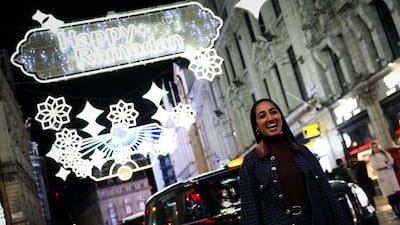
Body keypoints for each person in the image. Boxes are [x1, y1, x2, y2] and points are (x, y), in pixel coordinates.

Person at [239, 98, 352, 225]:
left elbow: (327, 194)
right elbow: (250, 212)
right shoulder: (251, 163)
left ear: (281, 118)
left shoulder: (303, 153)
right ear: (257, 127)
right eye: (262, 116)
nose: (270, 118)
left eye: (273, 112)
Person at [369, 141, 400, 218]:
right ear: (372, 149)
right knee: (390, 196)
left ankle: (399, 209)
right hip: (384, 179)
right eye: (374, 147)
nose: (376, 148)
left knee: (396, 195)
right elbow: (376, 166)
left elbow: (391, 161)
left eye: (376, 146)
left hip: (391, 176)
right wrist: (385, 164)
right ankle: (394, 210)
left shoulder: (385, 153)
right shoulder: (372, 157)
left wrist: (386, 164)